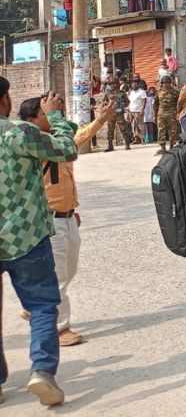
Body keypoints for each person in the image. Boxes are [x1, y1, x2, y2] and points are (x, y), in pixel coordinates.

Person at [0, 83, 79, 406]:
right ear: (5, 100)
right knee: (43, 306)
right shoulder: (17, 132)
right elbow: (66, 150)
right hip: (27, 237)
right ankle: (42, 372)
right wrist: (56, 115)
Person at [17, 97, 114, 348]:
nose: (51, 115)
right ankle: (60, 328)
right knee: (58, 276)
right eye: (44, 113)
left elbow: (77, 140)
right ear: (31, 121)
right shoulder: (32, 144)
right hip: (49, 220)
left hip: (68, 215)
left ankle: (39, 305)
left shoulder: (58, 143)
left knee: (69, 270)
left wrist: (100, 121)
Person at [156, 76, 181, 153]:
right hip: (161, 113)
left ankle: (172, 146)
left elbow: (179, 103)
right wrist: (154, 115)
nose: (166, 84)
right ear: (162, 84)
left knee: (172, 131)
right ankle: (163, 147)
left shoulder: (175, 92)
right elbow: (156, 104)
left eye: (167, 83)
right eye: (164, 83)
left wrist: (178, 113)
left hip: (172, 113)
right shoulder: (158, 92)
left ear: (170, 83)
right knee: (161, 130)